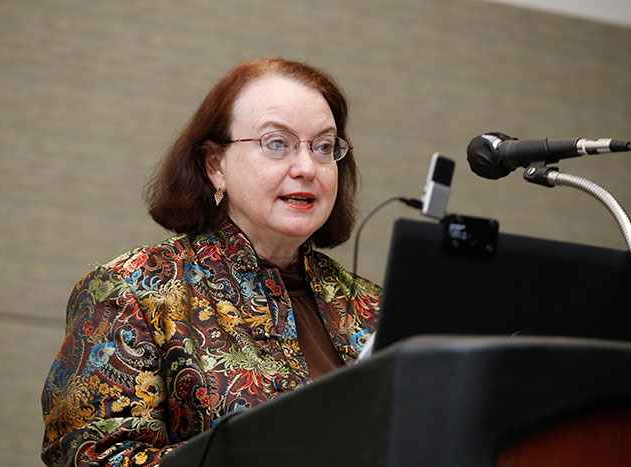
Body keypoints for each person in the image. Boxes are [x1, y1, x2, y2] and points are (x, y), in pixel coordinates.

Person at [41, 57, 380, 466]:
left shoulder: (373, 306)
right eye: (277, 143)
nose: (307, 167)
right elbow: (91, 458)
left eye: (324, 147)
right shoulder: (134, 290)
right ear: (216, 165)